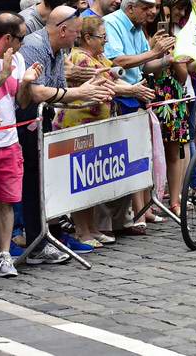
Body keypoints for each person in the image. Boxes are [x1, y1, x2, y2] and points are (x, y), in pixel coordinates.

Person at [17, 5, 116, 263]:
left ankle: (44, 237)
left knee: (42, 182)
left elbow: (59, 93)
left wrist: (87, 92)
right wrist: (81, 93)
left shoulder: (59, 50)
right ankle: (30, 241)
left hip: (42, 120)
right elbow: (36, 93)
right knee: (30, 183)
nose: (77, 37)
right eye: (75, 32)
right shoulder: (34, 46)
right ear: (63, 30)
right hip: (23, 122)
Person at [53, 17, 155, 247]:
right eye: (102, 38)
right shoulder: (80, 58)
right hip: (76, 127)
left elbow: (112, 76)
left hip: (95, 126)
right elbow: (106, 85)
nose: (105, 43)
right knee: (79, 182)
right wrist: (132, 90)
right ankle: (82, 230)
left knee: (91, 183)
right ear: (87, 38)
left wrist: (128, 86)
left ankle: (92, 227)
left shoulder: (99, 57)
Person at [102, 0, 174, 232]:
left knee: (141, 155)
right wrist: (153, 52)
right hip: (121, 96)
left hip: (138, 95)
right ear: (131, 8)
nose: (150, 13)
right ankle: (130, 215)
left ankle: (140, 210)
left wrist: (165, 60)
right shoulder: (111, 23)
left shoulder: (137, 27)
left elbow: (144, 65)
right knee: (127, 158)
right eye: (146, 8)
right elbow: (117, 61)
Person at [0, 13, 42, 278]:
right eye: (21, 38)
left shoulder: (17, 57)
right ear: (8, 38)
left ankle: (4, 255)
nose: (23, 43)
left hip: (9, 142)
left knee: (6, 201)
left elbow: (23, 102)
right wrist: (4, 74)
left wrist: (26, 82)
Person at [151, 0, 191, 216]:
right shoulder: (146, 37)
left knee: (174, 151)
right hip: (154, 95)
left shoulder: (178, 35)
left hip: (174, 96)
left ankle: (174, 200)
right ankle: (155, 198)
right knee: (153, 151)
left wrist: (175, 58)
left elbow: (184, 75)